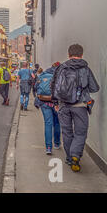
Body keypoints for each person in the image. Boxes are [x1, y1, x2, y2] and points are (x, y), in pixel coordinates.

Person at [51, 44, 100, 172]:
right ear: (81, 55)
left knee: (67, 133)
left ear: (69, 54)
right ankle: (75, 156)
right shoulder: (86, 69)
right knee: (81, 133)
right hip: (80, 106)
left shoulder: (61, 68)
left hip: (63, 106)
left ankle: (69, 158)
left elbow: (54, 86)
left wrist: (56, 103)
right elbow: (95, 88)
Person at [35, 62, 61, 155]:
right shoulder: (60, 74)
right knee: (57, 123)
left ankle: (48, 148)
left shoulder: (43, 74)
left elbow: (36, 87)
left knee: (48, 124)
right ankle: (57, 144)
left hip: (44, 102)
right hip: (56, 103)